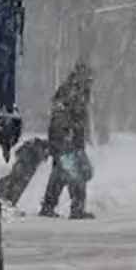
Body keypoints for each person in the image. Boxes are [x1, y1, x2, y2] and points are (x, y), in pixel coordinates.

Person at [40, 62, 95, 219]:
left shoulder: (75, 90)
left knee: (61, 174)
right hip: (66, 139)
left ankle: (49, 206)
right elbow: (62, 115)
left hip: (67, 139)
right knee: (75, 173)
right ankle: (75, 208)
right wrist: (67, 135)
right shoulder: (73, 91)